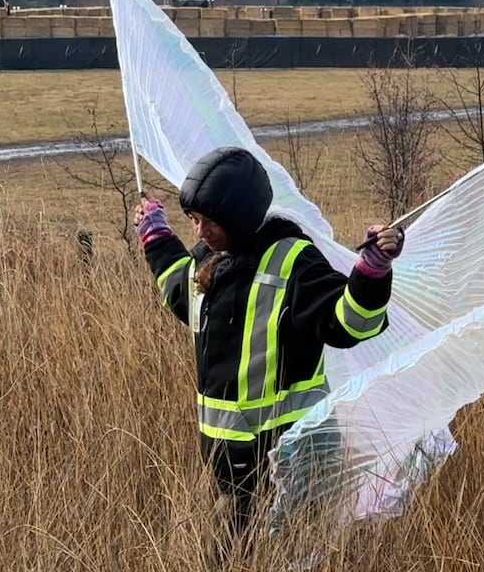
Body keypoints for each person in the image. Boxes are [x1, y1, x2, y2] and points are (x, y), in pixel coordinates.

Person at [132, 146, 403, 564]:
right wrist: (157, 238)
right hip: (230, 469)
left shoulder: (294, 262)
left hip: (289, 464)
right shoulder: (211, 261)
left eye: (209, 221)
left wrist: (372, 272)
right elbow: (180, 294)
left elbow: (351, 324)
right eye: (193, 221)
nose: (200, 231)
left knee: (287, 558)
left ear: (238, 217)